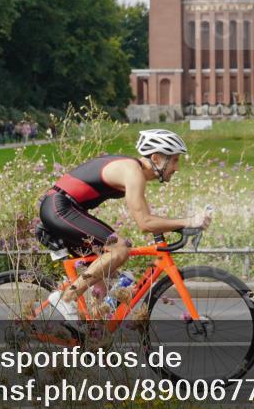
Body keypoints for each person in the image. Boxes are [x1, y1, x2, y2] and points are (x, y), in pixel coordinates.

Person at [41, 129, 211, 322]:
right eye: (174, 160)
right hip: (59, 208)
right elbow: (145, 223)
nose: (177, 168)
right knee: (119, 249)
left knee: (113, 281)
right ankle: (67, 298)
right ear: (156, 158)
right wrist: (188, 221)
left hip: (67, 209)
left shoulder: (134, 171)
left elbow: (147, 216)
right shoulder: (133, 172)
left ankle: (92, 339)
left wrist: (178, 225)